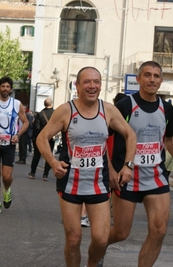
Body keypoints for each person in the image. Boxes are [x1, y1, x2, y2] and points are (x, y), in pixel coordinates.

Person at [36, 66, 137, 267]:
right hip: (70, 183)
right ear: (78, 85)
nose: (92, 86)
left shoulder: (107, 109)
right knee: (73, 239)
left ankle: (92, 263)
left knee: (100, 239)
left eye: (96, 82)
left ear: (100, 85)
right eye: (87, 82)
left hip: (98, 184)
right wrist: (53, 162)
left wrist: (128, 165)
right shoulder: (66, 110)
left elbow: (130, 134)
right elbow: (42, 138)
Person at [107, 61, 173, 267]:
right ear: (138, 79)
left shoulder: (166, 108)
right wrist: (111, 170)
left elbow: (169, 138)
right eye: (148, 75)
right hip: (127, 178)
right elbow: (104, 138)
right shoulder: (125, 105)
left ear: (161, 80)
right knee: (121, 233)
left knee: (159, 230)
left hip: (156, 178)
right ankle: (98, 249)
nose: (152, 80)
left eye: (156, 76)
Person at [0, 76, 28, 215]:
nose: (5, 89)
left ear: (11, 89)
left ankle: (6, 190)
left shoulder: (16, 104)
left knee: (6, 177)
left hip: (9, 144)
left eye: (7, 87)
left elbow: (26, 122)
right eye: (3, 86)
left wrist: (18, 134)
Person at [28, 98, 55, 181]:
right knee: (49, 155)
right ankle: (45, 174)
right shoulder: (55, 113)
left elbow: (36, 127)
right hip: (51, 138)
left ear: (44, 104)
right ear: (51, 104)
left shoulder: (40, 114)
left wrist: (38, 136)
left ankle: (32, 173)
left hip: (41, 138)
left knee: (36, 155)